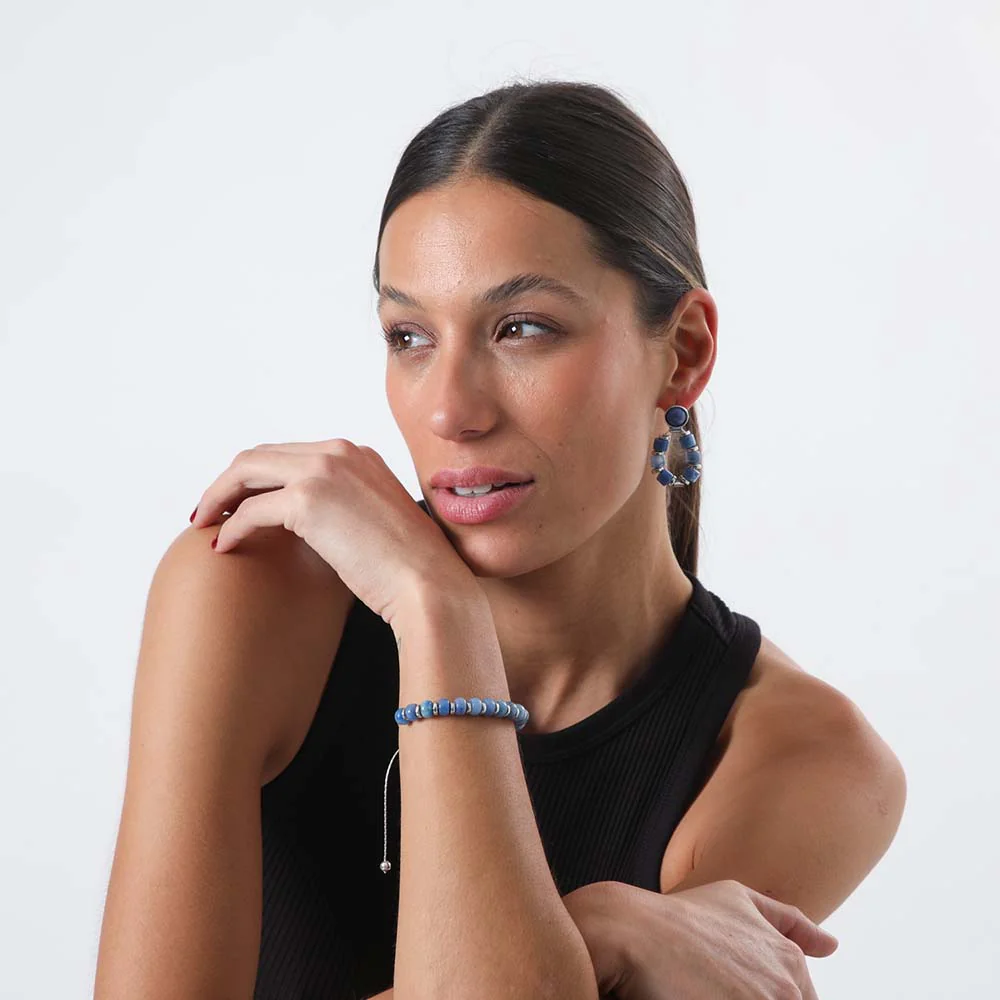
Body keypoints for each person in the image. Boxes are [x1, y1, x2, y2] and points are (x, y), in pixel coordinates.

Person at [94, 80, 907, 1000]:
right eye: (409, 336)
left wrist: (436, 624)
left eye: (521, 329)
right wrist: (596, 934)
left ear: (682, 351)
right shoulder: (251, 588)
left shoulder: (807, 758)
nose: (451, 410)